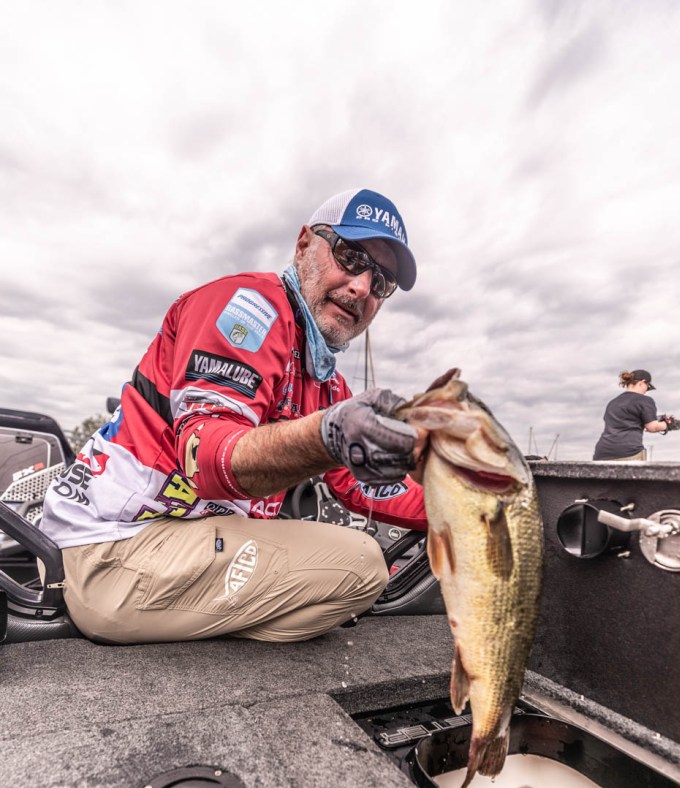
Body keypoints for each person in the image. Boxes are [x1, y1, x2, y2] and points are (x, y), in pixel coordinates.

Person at [41, 188, 435, 645]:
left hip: (159, 546)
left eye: (381, 282)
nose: (362, 287)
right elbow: (206, 459)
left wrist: (467, 510)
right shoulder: (248, 308)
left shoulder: (324, 380)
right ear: (303, 245)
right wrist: (329, 436)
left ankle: (193, 655)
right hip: (111, 550)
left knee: (329, 577)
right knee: (362, 563)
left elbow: (359, 485)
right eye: (351, 256)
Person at [593, 369, 680, 461]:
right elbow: (652, 427)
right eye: (648, 387)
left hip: (601, 453)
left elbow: (627, 422)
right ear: (642, 382)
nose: (646, 391)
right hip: (628, 452)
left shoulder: (612, 403)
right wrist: (669, 424)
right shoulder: (645, 400)